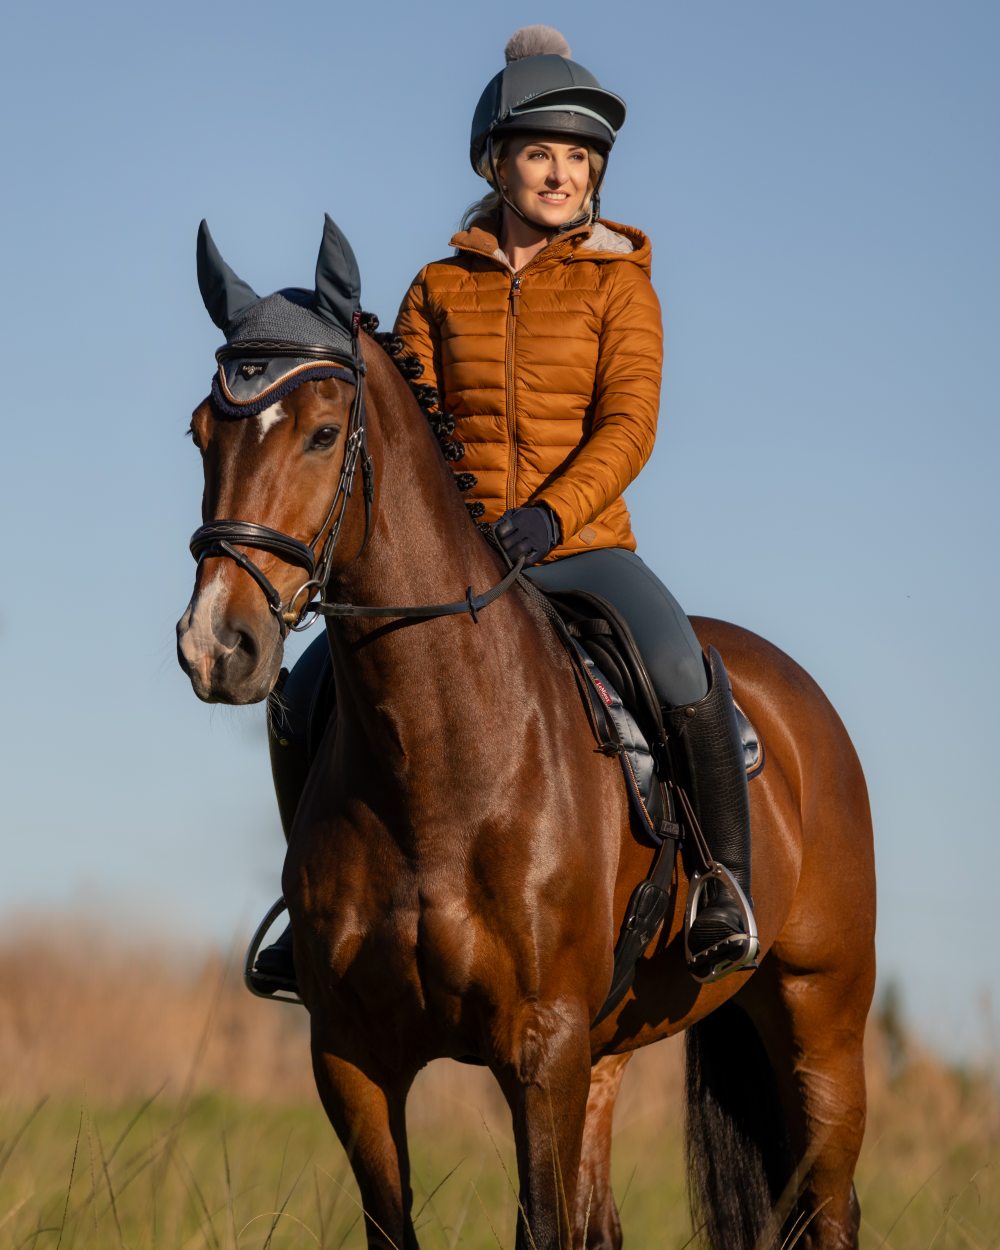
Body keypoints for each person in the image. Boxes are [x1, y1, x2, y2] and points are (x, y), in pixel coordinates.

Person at [254, 26, 757, 992]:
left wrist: (552, 518)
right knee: (299, 696)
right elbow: (399, 428)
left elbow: (630, 425)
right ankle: (305, 904)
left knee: (682, 670)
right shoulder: (437, 288)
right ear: (497, 163)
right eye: (540, 153)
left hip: (580, 545)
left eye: (579, 157)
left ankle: (724, 885)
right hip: (461, 555)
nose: (562, 174)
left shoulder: (624, 287)